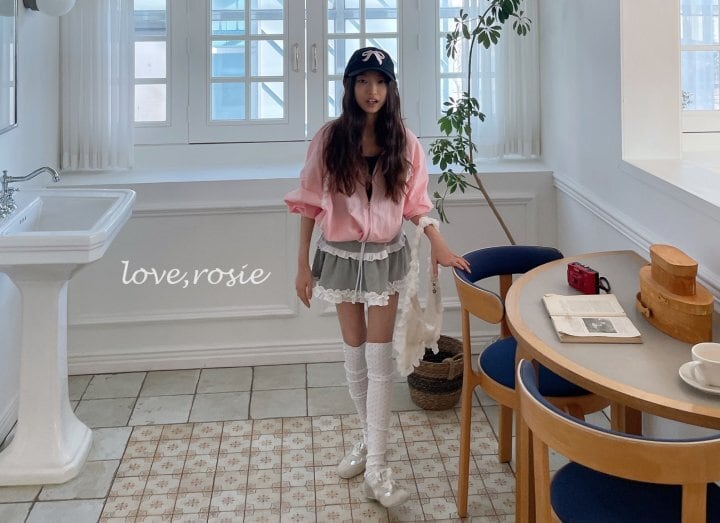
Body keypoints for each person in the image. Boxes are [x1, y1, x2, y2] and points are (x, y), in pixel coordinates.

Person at [284, 46, 470, 508]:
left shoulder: (404, 141)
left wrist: (438, 241)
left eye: (382, 81)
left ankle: (378, 466)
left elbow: (416, 203)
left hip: (386, 257)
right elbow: (309, 203)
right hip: (340, 255)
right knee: (355, 353)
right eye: (364, 81)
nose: (373, 90)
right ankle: (368, 442)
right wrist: (302, 264)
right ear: (350, 86)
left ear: (391, 88)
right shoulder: (329, 139)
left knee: (379, 357)